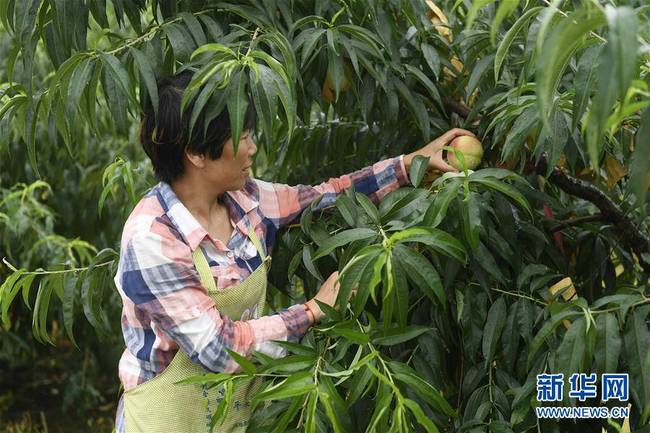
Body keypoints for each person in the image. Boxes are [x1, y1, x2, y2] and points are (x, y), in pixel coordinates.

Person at [113, 70, 475, 433]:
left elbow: (324, 198)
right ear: (196, 153)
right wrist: (313, 311)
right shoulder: (153, 240)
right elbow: (220, 351)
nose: (253, 147)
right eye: (242, 136)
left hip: (231, 418)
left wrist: (410, 166)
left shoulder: (246, 200)